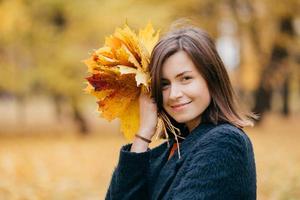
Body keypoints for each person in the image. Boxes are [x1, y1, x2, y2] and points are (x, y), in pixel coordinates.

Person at [105, 24, 257, 200]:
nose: (173, 94)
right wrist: (143, 134)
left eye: (185, 78)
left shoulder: (225, 142)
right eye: (164, 84)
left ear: (211, 78)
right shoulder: (169, 149)